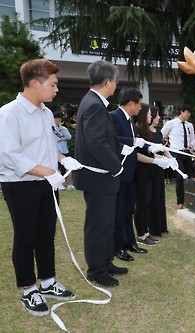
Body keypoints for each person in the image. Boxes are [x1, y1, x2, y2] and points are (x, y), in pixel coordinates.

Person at [0, 59, 77, 316]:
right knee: (26, 238)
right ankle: (28, 290)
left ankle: (47, 282)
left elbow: (47, 148)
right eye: (53, 84)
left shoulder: (45, 113)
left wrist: (64, 159)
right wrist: (50, 172)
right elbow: (10, 155)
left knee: (47, 234)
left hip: (47, 183)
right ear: (35, 83)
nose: (57, 89)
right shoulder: (9, 113)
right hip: (20, 185)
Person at [73, 60, 129, 287]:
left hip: (101, 178)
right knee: (98, 225)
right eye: (115, 81)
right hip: (99, 177)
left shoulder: (93, 102)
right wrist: (116, 166)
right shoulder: (94, 104)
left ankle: (105, 262)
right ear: (107, 82)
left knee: (106, 222)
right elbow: (96, 142)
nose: (116, 85)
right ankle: (97, 270)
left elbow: (104, 139)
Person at [109, 87, 166, 260]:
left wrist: (151, 147)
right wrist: (133, 141)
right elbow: (112, 140)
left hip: (132, 173)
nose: (141, 108)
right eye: (139, 104)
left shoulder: (131, 122)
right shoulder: (114, 117)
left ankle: (130, 242)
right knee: (118, 213)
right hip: (119, 172)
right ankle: (118, 246)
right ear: (131, 103)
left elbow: (138, 144)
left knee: (128, 211)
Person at [134, 104, 172, 243]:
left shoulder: (156, 132)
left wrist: (170, 159)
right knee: (142, 203)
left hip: (154, 171)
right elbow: (138, 154)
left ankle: (146, 231)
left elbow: (161, 148)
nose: (152, 117)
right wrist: (157, 160)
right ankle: (141, 233)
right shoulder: (138, 131)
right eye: (150, 114)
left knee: (149, 200)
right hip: (143, 171)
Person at [161, 105, 195, 210]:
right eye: (187, 112)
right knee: (180, 177)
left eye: (190, 113)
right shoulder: (171, 123)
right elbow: (161, 135)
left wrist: (192, 146)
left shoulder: (190, 125)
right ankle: (180, 202)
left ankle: (189, 200)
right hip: (176, 153)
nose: (188, 115)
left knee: (189, 177)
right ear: (181, 112)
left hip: (187, 153)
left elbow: (192, 139)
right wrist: (166, 147)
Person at [53, 111, 75, 190]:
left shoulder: (63, 128)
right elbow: (57, 138)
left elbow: (69, 137)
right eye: (57, 118)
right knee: (57, 168)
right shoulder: (52, 128)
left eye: (59, 118)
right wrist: (62, 137)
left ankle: (70, 184)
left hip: (64, 150)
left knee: (68, 167)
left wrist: (61, 129)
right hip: (56, 151)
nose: (58, 120)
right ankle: (59, 184)